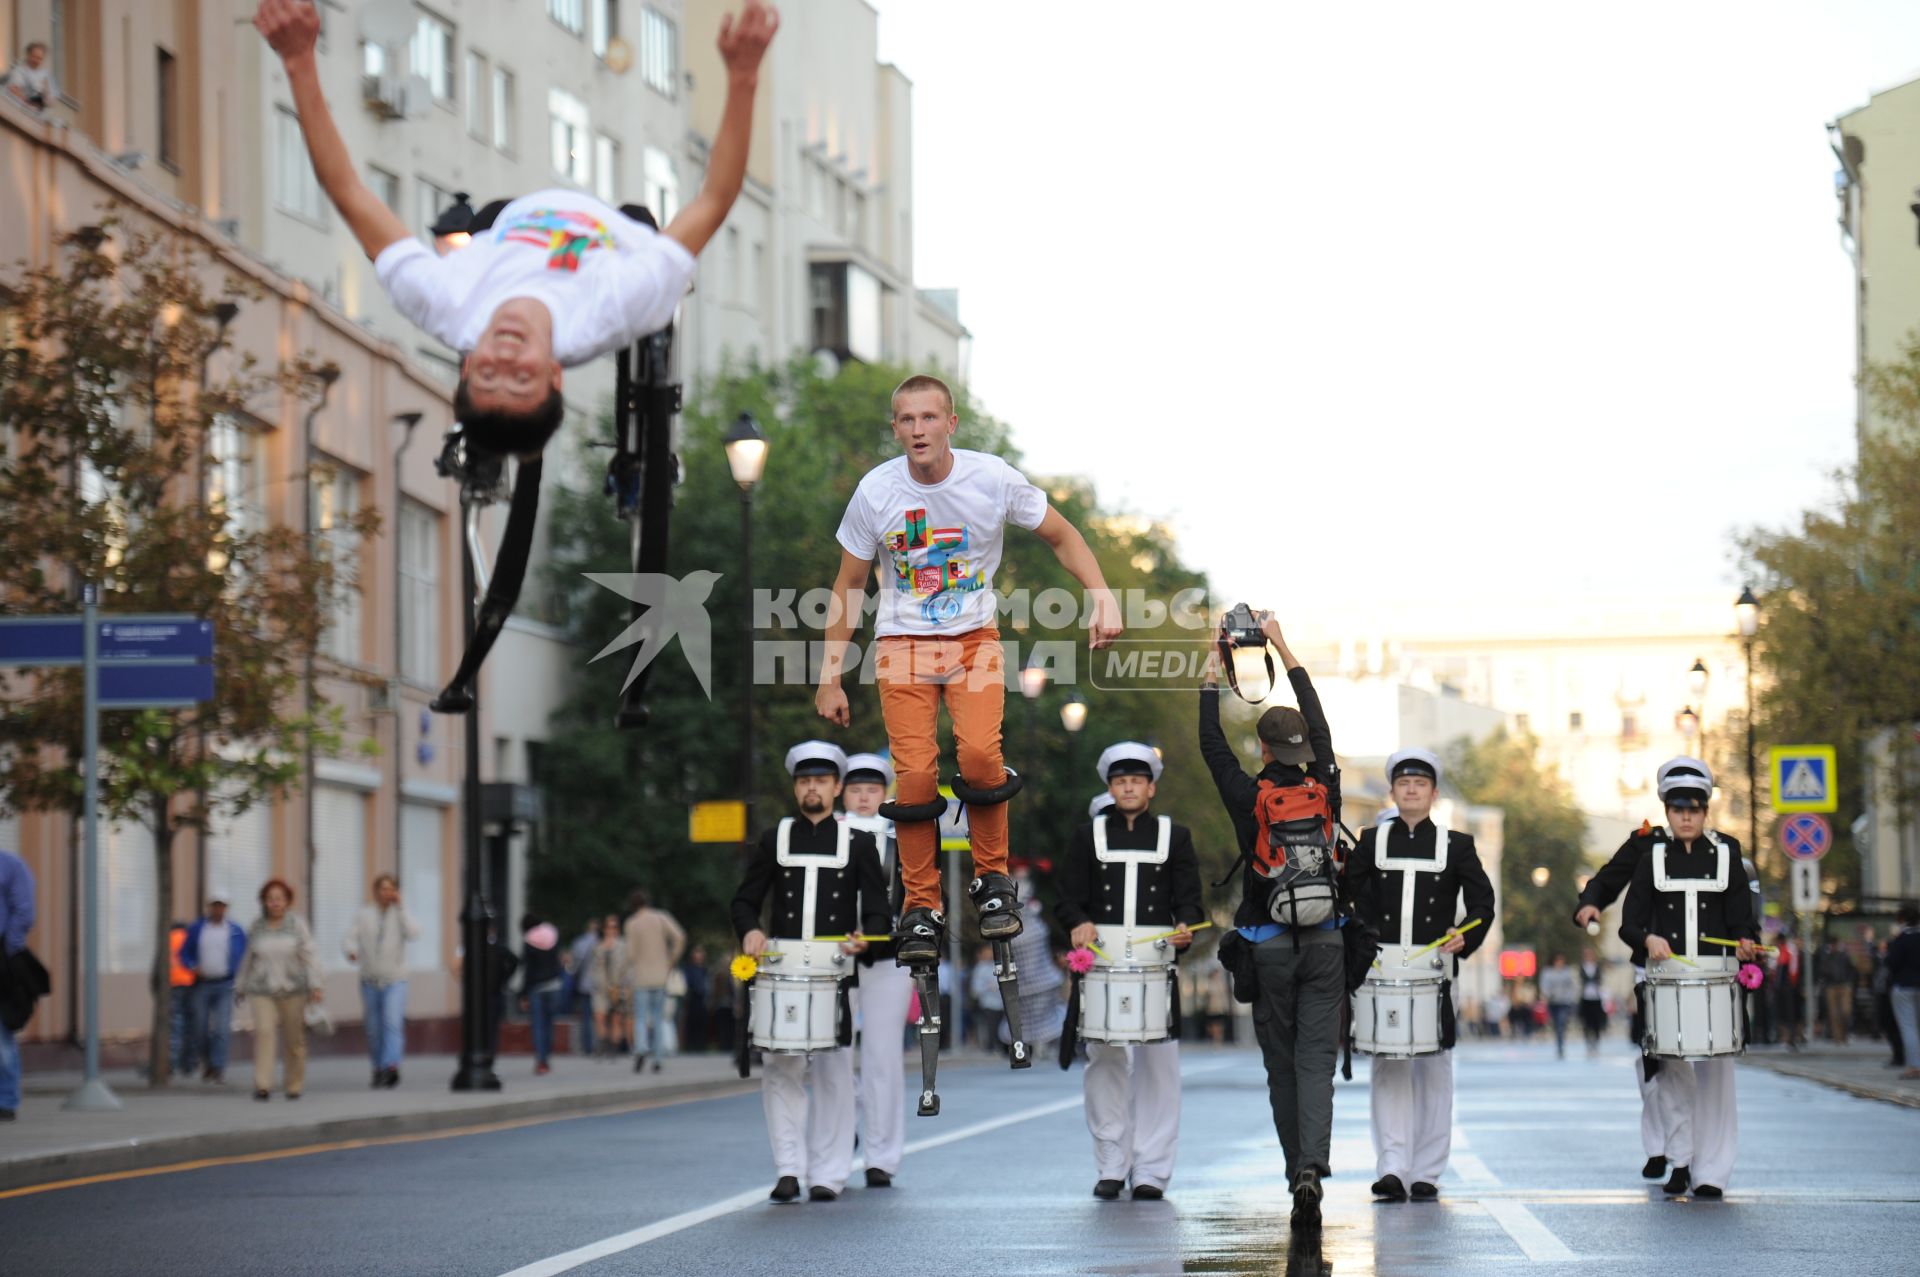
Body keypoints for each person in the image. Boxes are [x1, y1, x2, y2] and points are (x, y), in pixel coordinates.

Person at [251, 0, 777, 456]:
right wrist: (744, 78)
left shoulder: (442, 301)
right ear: (553, 374)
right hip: (620, 233)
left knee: (474, 221)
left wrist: (298, 61)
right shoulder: (616, 304)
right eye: (521, 376)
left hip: (511, 220)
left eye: (487, 374)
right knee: (660, 254)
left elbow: (348, 191)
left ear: (466, 367)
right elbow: (713, 201)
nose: (503, 357)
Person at [814, 373, 1123, 969]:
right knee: (916, 774)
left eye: (929, 418)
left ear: (950, 423)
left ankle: (992, 880)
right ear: (896, 427)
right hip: (901, 644)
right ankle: (921, 905)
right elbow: (848, 586)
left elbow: (1061, 534)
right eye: (906, 420)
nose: (917, 430)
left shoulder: (992, 478)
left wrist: (1101, 594)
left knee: (980, 756)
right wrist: (830, 676)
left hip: (973, 641)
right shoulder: (876, 491)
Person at [1198, 613, 1347, 1232]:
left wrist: (1216, 664)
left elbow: (1209, 744)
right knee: (1316, 1062)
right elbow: (1317, 717)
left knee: (1281, 1067)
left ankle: (1297, 1177)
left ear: (1262, 748)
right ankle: (1315, 1164)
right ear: (1306, 748)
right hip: (1327, 943)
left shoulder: (1247, 793)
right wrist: (1283, 646)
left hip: (1267, 945)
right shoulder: (1326, 782)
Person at [733, 742, 890, 1202]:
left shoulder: (859, 844)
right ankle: (788, 1167)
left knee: (834, 1070)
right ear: (796, 787)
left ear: (836, 787)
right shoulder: (773, 838)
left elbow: (879, 911)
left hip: (836, 969)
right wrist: (750, 931)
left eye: (821, 781)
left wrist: (867, 938)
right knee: (780, 1066)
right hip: (781, 965)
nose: (812, 788)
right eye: (804, 781)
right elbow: (745, 900)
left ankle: (829, 1172)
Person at [1343, 749, 1497, 1203]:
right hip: (1382, 966)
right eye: (1404, 784)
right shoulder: (1370, 842)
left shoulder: (1457, 846)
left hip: (1434, 969)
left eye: (1421, 784)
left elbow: (1482, 906)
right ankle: (1392, 1166)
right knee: (1388, 1068)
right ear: (1392, 791)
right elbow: (1345, 896)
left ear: (1432, 793)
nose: (1411, 790)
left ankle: (1427, 1169)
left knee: (1434, 1069)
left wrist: (1463, 936)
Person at [1055, 740, 1204, 1201]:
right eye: (1120, 782)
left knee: (1160, 1066)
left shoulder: (1175, 836)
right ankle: (1111, 1165)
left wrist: (1185, 926)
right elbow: (1067, 896)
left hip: (1155, 963)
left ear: (1151, 787)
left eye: (1136, 781)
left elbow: (1190, 898)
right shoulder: (1087, 836)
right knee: (1105, 1061)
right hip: (1102, 961)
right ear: (1111, 787)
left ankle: (1152, 1171)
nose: (1128, 788)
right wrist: (1078, 922)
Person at [1619, 758, 1758, 1199]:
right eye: (1678, 809)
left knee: (1717, 1078)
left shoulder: (1727, 854)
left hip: (1717, 979)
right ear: (1666, 811)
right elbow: (1629, 923)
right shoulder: (1651, 858)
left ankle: (1712, 1172)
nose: (1685, 817)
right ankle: (1681, 1159)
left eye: (1694, 809)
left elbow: (1742, 916)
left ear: (1705, 811)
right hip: (1666, 980)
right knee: (1673, 1075)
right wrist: (1648, 938)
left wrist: (1746, 941)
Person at [840, 752, 911, 1187]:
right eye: (855, 790)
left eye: (872, 790)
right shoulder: (829, 835)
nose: (864, 798)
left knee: (882, 1057)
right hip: (837, 955)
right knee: (834, 1053)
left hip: (888, 955)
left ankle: (881, 1156)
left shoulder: (901, 838)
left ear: (884, 794)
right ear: (842, 792)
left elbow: (916, 895)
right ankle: (839, 1131)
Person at [236, 879, 323, 1101]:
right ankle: (263, 1085)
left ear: (287, 902)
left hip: (294, 989)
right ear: (264, 902)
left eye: (280, 898)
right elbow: (248, 958)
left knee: (294, 1039)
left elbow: (309, 955)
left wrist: (316, 984)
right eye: (271, 898)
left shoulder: (297, 924)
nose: (275, 903)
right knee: (264, 1033)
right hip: (262, 988)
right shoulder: (256, 926)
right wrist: (240, 985)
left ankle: (293, 1084)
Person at [342, 874, 419, 1088]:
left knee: (392, 1023)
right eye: (382, 888)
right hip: (370, 980)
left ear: (396, 891)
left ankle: (391, 1066)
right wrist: (350, 951)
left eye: (390, 888)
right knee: (374, 1028)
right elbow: (349, 937)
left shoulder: (401, 914)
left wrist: (402, 907)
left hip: (396, 979)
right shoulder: (364, 914)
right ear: (375, 891)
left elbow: (414, 932)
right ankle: (377, 1067)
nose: (386, 893)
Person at [179, 890, 247, 1084]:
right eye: (215, 905)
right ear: (210, 907)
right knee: (199, 1026)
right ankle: (207, 1060)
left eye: (221, 906)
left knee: (221, 1027)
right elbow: (184, 953)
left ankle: (218, 1067)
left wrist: (241, 979)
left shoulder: (235, 930)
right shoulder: (198, 928)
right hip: (202, 984)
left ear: (226, 908)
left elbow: (245, 955)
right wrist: (193, 966)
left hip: (225, 984)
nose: (218, 909)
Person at [625, 889, 687, 1073]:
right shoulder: (661, 917)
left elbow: (630, 953)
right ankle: (658, 1058)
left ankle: (642, 1048)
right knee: (659, 1017)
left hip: (641, 976)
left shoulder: (632, 923)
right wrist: (671, 959)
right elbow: (680, 937)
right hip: (661, 974)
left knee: (641, 1017)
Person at [0, 847, 35, 1121]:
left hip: (2, 958)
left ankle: (6, 1101)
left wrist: (9, 949)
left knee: (1, 1035)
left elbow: (24, 911)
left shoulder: (10, 865)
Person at [520, 916, 566, 1075]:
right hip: (554, 986)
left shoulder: (529, 941)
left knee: (538, 1025)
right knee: (549, 1024)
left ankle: (541, 1060)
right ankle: (547, 1055)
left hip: (537, 988)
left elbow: (528, 970)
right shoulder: (553, 935)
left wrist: (523, 994)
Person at [1888, 902, 1920, 1081]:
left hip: (1904, 986)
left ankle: (1914, 1066)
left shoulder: (1901, 940)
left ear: (1901, 920)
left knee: (1909, 1027)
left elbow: (1892, 963)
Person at [591, 915, 629, 1058]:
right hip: (600, 987)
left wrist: (623, 985)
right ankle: (602, 1043)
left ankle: (614, 1047)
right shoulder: (598, 947)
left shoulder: (623, 946)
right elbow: (594, 968)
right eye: (608, 927)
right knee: (599, 1015)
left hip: (617, 986)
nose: (611, 930)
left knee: (616, 1018)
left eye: (614, 927)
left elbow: (627, 967)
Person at [567, 919, 600, 1057]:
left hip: (584, 984)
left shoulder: (579, 943)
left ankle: (587, 1046)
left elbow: (574, 965)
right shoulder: (601, 942)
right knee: (600, 1015)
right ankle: (600, 1044)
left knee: (585, 1016)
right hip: (599, 984)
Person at [1816, 938, 1856, 1045]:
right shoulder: (1827, 957)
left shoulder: (1844, 956)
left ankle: (1845, 1034)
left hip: (1844, 985)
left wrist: (1849, 982)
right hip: (1831, 986)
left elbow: (1852, 969)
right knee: (1834, 1013)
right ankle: (1838, 1037)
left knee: (1845, 1011)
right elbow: (1822, 971)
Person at [968, 944, 1006, 1051]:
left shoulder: (998, 965)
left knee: (1000, 1025)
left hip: (1000, 1002)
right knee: (990, 1025)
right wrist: (988, 987)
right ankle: (989, 1046)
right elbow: (976, 987)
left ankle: (1000, 1045)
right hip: (988, 1002)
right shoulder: (980, 968)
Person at [1540, 954, 1578, 1059]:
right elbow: (1544, 986)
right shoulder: (1548, 972)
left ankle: (1561, 1046)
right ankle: (1558, 1042)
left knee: (1561, 1022)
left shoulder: (1567, 972)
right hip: (1553, 1002)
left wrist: (1570, 997)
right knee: (1556, 1025)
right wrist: (1547, 995)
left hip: (1564, 1002)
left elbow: (1572, 986)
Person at [2, 41, 57, 110]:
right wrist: (30, 101)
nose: (36, 60)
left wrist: (45, 98)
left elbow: (51, 100)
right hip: (17, 112)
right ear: (28, 55)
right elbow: (13, 89)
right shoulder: (19, 71)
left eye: (39, 58)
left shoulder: (46, 76)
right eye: (34, 57)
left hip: (35, 117)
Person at [1577, 948, 1608, 1057]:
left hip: (1596, 998)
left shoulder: (1598, 967)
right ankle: (1588, 1044)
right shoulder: (1582, 967)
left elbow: (1600, 980)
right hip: (1585, 998)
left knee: (1596, 1023)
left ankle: (1596, 1043)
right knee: (1586, 1023)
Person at [680, 945, 711, 1054]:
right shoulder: (688, 969)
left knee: (702, 1023)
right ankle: (691, 1045)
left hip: (702, 1000)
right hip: (692, 999)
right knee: (691, 1023)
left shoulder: (705, 969)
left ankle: (701, 1045)